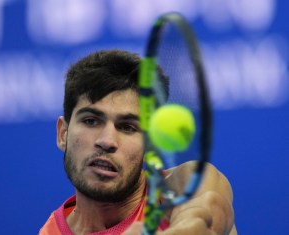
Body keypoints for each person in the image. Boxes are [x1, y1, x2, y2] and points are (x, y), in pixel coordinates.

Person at [39, 49, 237, 235]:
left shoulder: (181, 185)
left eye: (128, 127)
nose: (107, 141)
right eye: (91, 121)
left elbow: (207, 216)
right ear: (63, 134)